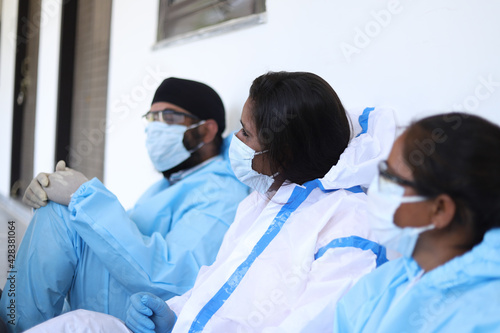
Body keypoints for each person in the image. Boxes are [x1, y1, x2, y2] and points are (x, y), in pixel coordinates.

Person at [25, 71, 397, 332]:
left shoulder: (344, 221)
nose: (235, 140)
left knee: (61, 219)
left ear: (282, 150)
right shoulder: (260, 203)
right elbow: (214, 283)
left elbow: (313, 321)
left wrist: (84, 198)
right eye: (150, 117)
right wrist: (173, 316)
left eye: (246, 133)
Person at [0, 78, 249, 332]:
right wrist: (54, 197)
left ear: (206, 131)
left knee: (62, 213)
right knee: (57, 210)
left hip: (141, 315)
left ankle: (13, 324)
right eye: (151, 119)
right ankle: (12, 320)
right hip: (114, 297)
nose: (155, 129)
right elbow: (126, 238)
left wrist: (83, 197)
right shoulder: (170, 184)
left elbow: (172, 278)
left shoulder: (222, 191)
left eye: (169, 118)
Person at [333, 113, 500, 332]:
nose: (376, 188)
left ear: (440, 210)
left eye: (390, 179)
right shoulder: (384, 285)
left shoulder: (485, 317)